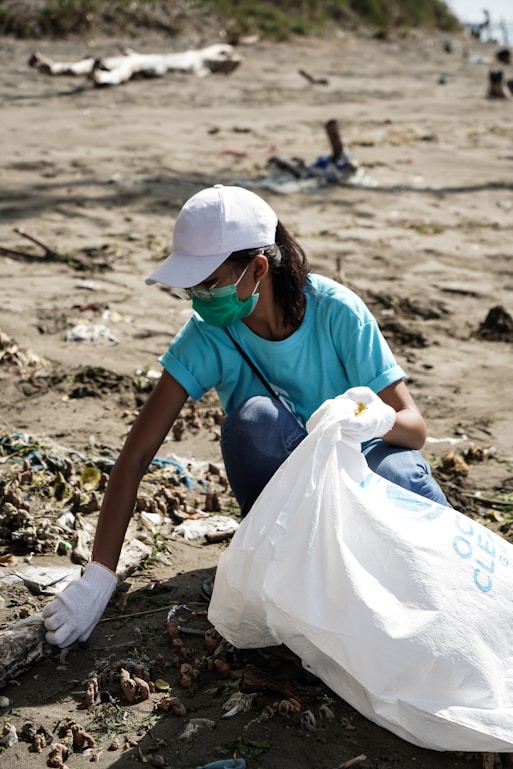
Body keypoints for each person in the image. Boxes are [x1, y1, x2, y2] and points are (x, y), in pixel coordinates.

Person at [42, 184, 449, 648]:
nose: (199, 298)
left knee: (401, 469)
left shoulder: (338, 313)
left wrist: (371, 419)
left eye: (209, 284)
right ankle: (282, 566)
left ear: (257, 269)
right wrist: (99, 578)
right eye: (190, 288)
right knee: (254, 421)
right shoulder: (208, 336)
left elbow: (414, 429)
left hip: (362, 482)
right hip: (288, 514)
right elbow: (135, 456)